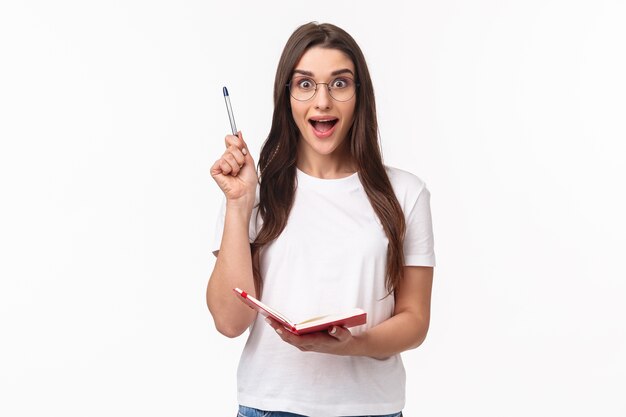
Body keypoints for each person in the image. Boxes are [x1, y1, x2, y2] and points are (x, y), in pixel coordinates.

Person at [207, 21, 435, 417]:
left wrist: (353, 346)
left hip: (371, 408)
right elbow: (229, 321)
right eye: (306, 84)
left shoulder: (405, 193)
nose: (323, 102)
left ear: (359, 95)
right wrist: (239, 203)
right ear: (288, 96)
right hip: (270, 405)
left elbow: (414, 320)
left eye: (340, 83)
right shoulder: (254, 194)